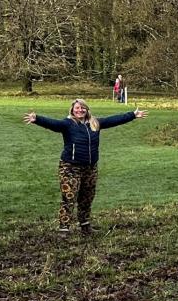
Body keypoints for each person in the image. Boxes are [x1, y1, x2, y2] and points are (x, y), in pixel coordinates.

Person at [24, 99, 147, 236]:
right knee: (69, 197)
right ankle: (64, 228)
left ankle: (85, 226)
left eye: (83, 108)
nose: (80, 110)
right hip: (70, 167)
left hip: (90, 167)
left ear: (87, 109)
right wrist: (37, 119)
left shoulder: (95, 123)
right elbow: (54, 124)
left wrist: (133, 115)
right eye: (77, 108)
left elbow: (114, 120)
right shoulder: (68, 124)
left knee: (87, 197)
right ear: (72, 110)